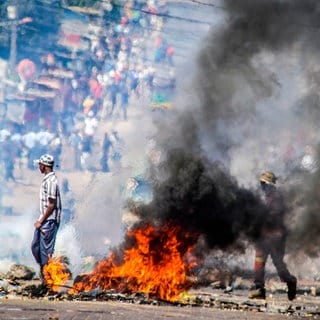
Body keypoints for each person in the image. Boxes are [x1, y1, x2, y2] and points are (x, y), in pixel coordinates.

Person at [249, 171, 297, 300]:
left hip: (275, 237)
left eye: (264, 184)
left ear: (270, 185)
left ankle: (291, 281)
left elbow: (272, 216)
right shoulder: (265, 197)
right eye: (261, 184)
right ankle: (259, 289)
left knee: (279, 265)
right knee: (258, 263)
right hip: (263, 236)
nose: (262, 187)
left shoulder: (276, 198)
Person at [31, 154, 62, 282]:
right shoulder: (47, 180)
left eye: (40, 164)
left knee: (45, 253)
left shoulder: (51, 182)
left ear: (44, 166)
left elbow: (52, 205)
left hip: (49, 222)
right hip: (45, 220)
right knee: (35, 247)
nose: (39, 166)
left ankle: (48, 281)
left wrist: (41, 221)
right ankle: (44, 272)